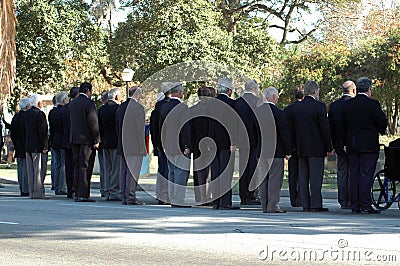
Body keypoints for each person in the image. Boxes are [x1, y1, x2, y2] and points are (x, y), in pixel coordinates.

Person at [342, 77, 387, 214]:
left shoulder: (348, 104)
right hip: (368, 144)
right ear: (369, 89)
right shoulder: (373, 104)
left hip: (353, 143)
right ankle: (365, 204)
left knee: (354, 173)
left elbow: (343, 124)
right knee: (366, 174)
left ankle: (355, 204)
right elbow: (382, 122)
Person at [292, 81, 333, 212]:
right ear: (315, 92)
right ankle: (315, 204)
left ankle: (305, 203)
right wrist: (329, 146)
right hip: (316, 147)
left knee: (303, 177)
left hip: (301, 147)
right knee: (315, 177)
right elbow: (324, 129)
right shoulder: (319, 106)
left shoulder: (297, 107)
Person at [256, 87, 291, 213]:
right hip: (275, 151)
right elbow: (284, 134)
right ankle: (273, 205)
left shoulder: (257, 112)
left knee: (263, 179)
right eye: (276, 97)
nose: (277, 99)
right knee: (274, 179)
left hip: (261, 151)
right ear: (273, 97)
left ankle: (264, 205)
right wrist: (288, 151)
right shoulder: (278, 113)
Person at [209, 78, 240, 210]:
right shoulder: (232, 104)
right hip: (227, 143)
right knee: (226, 173)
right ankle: (225, 202)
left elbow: (208, 123)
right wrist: (234, 142)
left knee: (215, 172)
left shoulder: (211, 103)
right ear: (229, 90)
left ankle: (215, 201)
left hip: (213, 142)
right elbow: (233, 125)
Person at [159, 82, 191, 207]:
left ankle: (172, 197)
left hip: (168, 144)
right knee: (180, 173)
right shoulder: (183, 108)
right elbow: (185, 128)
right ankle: (178, 199)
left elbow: (163, 128)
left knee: (171, 172)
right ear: (180, 93)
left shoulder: (164, 107)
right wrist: (187, 146)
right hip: (180, 145)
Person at [68, 82, 100, 202]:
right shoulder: (89, 103)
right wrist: (97, 139)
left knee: (76, 165)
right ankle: (83, 193)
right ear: (88, 91)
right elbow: (93, 122)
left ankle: (76, 191)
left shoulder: (72, 104)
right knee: (86, 166)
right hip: (86, 139)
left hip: (74, 138)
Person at [115, 86, 146, 205]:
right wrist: (142, 147)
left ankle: (124, 195)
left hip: (123, 143)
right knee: (132, 172)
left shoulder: (121, 107)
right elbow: (140, 130)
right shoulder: (138, 108)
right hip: (134, 145)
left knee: (123, 171)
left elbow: (117, 126)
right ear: (137, 95)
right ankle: (130, 196)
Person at [328, 80, 356, 209]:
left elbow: (331, 127)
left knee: (342, 171)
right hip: (353, 144)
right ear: (354, 90)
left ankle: (343, 199)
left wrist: (333, 144)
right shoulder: (355, 104)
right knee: (352, 172)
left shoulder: (334, 106)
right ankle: (351, 199)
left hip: (339, 144)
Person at [234, 79, 260, 205]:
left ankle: (243, 195)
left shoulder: (238, 103)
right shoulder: (258, 102)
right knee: (254, 168)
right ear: (255, 89)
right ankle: (252, 195)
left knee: (243, 169)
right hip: (255, 140)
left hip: (241, 140)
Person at [189, 87, 214, 205]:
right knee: (208, 172)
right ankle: (206, 197)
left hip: (196, 145)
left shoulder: (192, 110)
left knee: (198, 172)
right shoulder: (211, 110)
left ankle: (199, 196)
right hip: (209, 144)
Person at [98, 88, 122, 201]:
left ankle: (106, 189)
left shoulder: (101, 110)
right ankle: (114, 191)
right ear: (116, 96)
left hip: (104, 141)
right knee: (116, 168)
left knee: (107, 168)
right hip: (115, 142)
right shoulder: (118, 109)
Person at [24, 94, 49, 199]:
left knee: (30, 171)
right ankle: (38, 192)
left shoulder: (26, 114)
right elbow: (43, 132)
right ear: (39, 103)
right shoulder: (40, 114)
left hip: (28, 145)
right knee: (38, 169)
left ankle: (31, 192)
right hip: (37, 146)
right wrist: (45, 146)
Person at [149, 85, 171, 204]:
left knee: (162, 169)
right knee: (167, 169)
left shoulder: (156, 110)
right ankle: (165, 195)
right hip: (167, 143)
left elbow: (153, 129)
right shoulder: (167, 107)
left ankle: (160, 194)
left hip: (158, 142)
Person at [283, 88, 304, 207]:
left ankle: (293, 198)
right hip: (303, 146)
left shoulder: (287, 110)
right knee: (302, 172)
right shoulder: (305, 109)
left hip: (291, 146)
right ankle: (301, 197)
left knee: (293, 173)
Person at [60, 87, 79, 198]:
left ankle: (70, 188)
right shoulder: (75, 108)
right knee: (76, 165)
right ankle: (75, 187)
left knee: (68, 166)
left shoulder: (64, 109)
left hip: (66, 140)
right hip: (74, 140)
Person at [49, 91, 68, 195]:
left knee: (57, 164)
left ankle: (56, 185)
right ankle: (62, 187)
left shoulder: (52, 112)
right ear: (64, 100)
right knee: (63, 164)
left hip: (55, 140)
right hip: (63, 140)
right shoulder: (64, 111)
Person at [10, 98, 30, 196]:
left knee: (21, 167)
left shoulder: (16, 117)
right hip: (27, 144)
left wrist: (15, 142)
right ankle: (26, 188)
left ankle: (22, 187)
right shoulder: (28, 117)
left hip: (19, 144)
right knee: (27, 167)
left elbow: (12, 132)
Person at [97, 91, 109, 197]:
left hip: (102, 142)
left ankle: (103, 188)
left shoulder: (99, 111)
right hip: (111, 142)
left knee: (103, 168)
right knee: (112, 168)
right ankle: (108, 188)